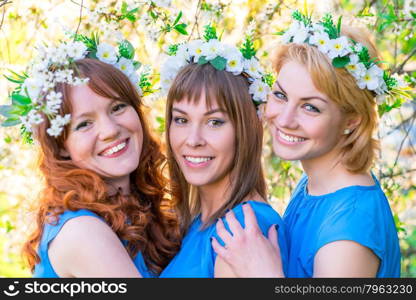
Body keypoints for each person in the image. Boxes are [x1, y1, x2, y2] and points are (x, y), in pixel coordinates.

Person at [212, 11, 402, 277]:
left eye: (311, 107)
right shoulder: (316, 186)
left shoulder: (347, 235)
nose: (285, 119)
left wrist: (262, 273)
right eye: (280, 95)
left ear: (352, 121)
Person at [2, 33, 180, 277]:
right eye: (84, 124)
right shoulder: (82, 232)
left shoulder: (141, 212)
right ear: (61, 145)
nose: (109, 130)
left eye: (117, 107)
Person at [157, 26, 289, 277]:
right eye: (182, 120)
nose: (193, 140)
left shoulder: (241, 232)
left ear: (246, 129)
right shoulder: (199, 222)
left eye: (214, 122)